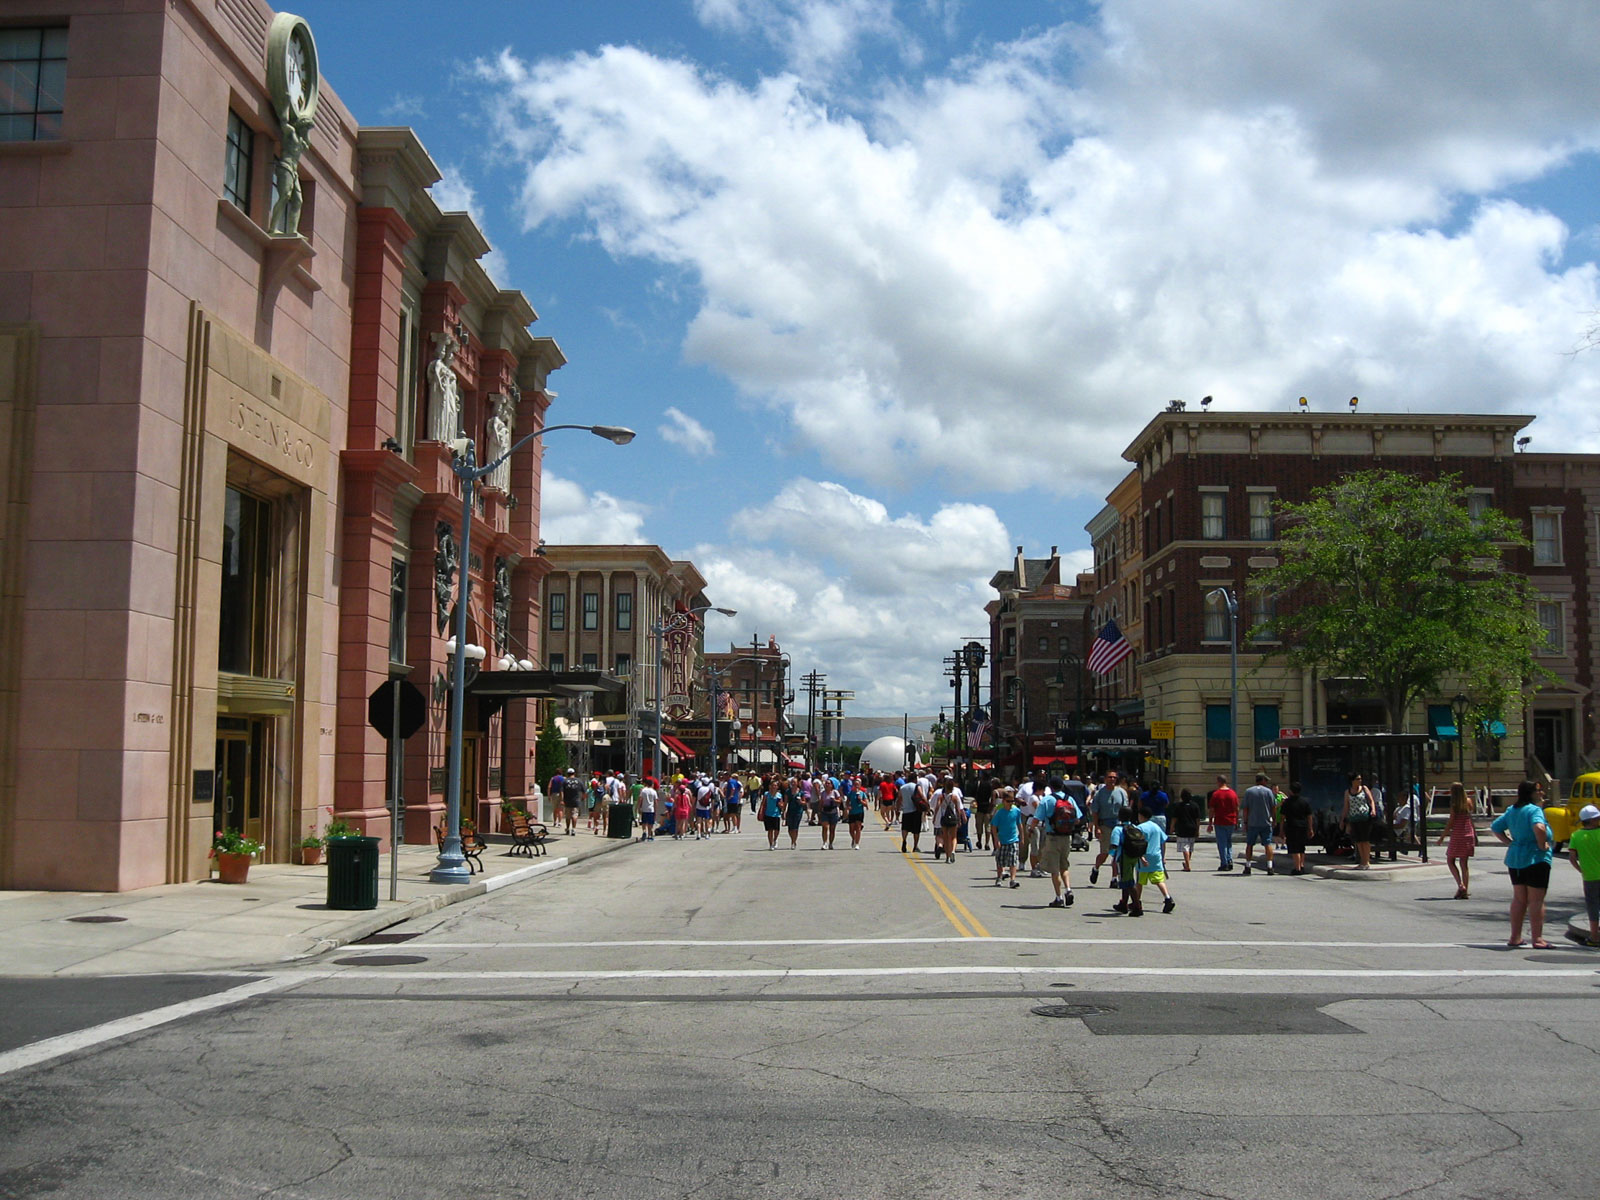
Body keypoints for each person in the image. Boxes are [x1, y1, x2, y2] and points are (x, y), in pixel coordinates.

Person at [1492, 780, 1554, 948]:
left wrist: (1510, 842)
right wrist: (1542, 844)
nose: (1541, 794)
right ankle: (1537, 939)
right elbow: (1539, 828)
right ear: (1530, 793)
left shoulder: (1512, 810)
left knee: (1519, 899)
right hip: (1536, 858)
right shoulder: (1534, 810)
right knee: (1536, 900)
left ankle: (1515, 937)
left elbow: (1496, 827)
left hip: (1516, 859)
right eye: (1538, 791)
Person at [1035, 781, 1079, 908]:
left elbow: (1037, 818)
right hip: (1067, 837)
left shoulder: (1047, 800)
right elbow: (1077, 819)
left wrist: (1030, 828)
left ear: (1051, 787)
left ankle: (1058, 897)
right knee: (1064, 866)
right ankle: (1068, 889)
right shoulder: (1069, 799)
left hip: (1053, 837)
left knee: (1054, 870)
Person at [1130, 804, 1174, 915]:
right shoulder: (1156, 827)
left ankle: (1137, 901)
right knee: (1159, 879)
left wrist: (1139, 856)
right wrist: (1163, 857)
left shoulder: (1140, 828)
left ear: (1141, 816)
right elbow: (1163, 842)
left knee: (1140, 881)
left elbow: (1137, 844)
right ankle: (1167, 898)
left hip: (1144, 856)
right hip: (1156, 856)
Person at [1566, 804, 1600, 947]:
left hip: (1589, 876)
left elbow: (1572, 858)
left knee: (1592, 906)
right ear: (1592, 820)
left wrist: (1581, 869)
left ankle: (1594, 937)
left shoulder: (1576, 835)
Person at [1437, 781, 1477, 899]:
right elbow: (1471, 816)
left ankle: (1460, 885)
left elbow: (1451, 823)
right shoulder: (1469, 802)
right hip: (1468, 833)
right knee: (1464, 863)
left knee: (1450, 860)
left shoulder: (1454, 805)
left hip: (1458, 834)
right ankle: (1465, 889)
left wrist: (1442, 837)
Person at [1088, 771, 1129, 885]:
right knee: (1105, 852)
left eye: (1114, 778)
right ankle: (1096, 868)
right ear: (1105, 779)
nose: (1112, 779)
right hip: (1105, 824)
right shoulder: (1100, 794)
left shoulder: (1121, 792)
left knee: (1117, 853)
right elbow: (1095, 812)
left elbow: (1125, 809)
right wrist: (1097, 828)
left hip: (1119, 825)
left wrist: (1126, 825)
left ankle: (1114, 878)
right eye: (1110, 777)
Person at [1240, 772, 1277, 877]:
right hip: (1266, 822)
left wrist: (1245, 822)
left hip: (1252, 823)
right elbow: (1273, 807)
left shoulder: (1249, 791)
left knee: (1250, 844)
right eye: (1266, 780)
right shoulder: (1269, 792)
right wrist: (1274, 819)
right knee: (1267, 844)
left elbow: (1246, 808)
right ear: (1263, 780)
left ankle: (1248, 866)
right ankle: (1270, 866)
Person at [1339, 772, 1378, 870]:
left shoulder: (1364, 788)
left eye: (1360, 779)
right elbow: (1346, 807)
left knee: (1365, 840)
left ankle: (1366, 861)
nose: (1360, 781)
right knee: (1358, 841)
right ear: (1352, 781)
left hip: (1365, 817)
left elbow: (1371, 800)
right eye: (1357, 779)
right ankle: (1362, 861)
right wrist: (1342, 820)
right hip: (1354, 818)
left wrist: (1373, 810)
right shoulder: (1347, 792)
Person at [1278, 781, 1313, 875]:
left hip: (1291, 827)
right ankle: (1301, 865)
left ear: (1290, 791)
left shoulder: (1287, 803)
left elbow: (1282, 817)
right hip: (1303, 826)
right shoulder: (1305, 802)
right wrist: (1310, 828)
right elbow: (1309, 816)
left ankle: (1297, 868)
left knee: (1294, 848)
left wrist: (1281, 830)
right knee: (1301, 847)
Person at [990, 788, 1022, 888]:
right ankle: (999, 877)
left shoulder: (1016, 811)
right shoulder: (1000, 812)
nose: (1010, 803)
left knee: (1013, 861)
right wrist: (996, 840)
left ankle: (1012, 880)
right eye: (1008, 801)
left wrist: (1022, 836)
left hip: (1013, 839)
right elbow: (994, 827)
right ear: (1003, 801)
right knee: (1000, 861)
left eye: (1012, 801)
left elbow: (1019, 824)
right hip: (1002, 840)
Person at [1208, 774, 1239, 871]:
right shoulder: (1233, 794)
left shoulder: (1216, 794)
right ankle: (1229, 860)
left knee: (1222, 843)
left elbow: (1212, 809)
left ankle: (1224, 863)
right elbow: (1236, 808)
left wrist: (1210, 823)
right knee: (1229, 842)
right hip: (1231, 820)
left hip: (1220, 820)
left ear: (1219, 782)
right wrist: (1237, 820)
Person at [932, 778, 965, 864]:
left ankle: (947, 857)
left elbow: (937, 807)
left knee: (946, 838)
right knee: (953, 837)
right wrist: (959, 820)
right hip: (953, 818)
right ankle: (953, 851)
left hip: (944, 819)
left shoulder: (941, 796)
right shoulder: (954, 797)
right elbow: (958, 809)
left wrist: (935, 817)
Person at [1169, 788, 1201, 871]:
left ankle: (1187, 864)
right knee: (1189, 846)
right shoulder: (1195, 806)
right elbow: (1198, 819)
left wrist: (1172, 827)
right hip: (1192, 827)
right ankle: (1187, 862)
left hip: (1182, 828)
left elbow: (1174, 818)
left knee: (1185, 847)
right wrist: (1198, 830)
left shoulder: (1178, 806)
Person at [898, 772, 926, 854]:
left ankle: (904, 840)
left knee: (905, 828)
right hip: (916, 810)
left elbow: (899, 798)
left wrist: (897, 808)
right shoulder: (917, 786)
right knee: (916, 829)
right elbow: (922, 796)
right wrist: (926, 805)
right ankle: (915, 846)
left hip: (906, 810)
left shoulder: (902, 787)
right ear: (915, 779)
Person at [818, 777, 843, 849]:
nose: (827, 785)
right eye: (826, 783)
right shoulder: (823, 793)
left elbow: (839, 801)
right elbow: (821, 802)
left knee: (832, 829)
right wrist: (819, 811)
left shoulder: (835, 792)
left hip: (833, 812)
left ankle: (831, 843)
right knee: (825, 827)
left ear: (832, 785)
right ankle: (825, 842)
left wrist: (834, 800)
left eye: (828, 783)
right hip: (825, 812)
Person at [845, 776, 867, 849]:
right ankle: (854, 838)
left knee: (858, 827)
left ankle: (857, 843)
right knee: (851, 829)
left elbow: (866, 804)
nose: (856, 786)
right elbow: (847, 802)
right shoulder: (851, 793)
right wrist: (848, 806)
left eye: (858, 784)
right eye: (855, 784)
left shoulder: (862, 793)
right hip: (852, 812)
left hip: (859, 812)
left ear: (860, 785)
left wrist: (861, 800)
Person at [761, 784, 784, 849]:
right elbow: (763, 803)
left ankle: (775, 840)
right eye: (772, 785)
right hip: (768, 813)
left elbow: (782, 804)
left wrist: (781, 806)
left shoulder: (779, 795)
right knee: (770, 830)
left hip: (776, 814)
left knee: (777, 830)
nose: (773, 787)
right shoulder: (766, 794)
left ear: (777, 787)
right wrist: (761, 811)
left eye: (775, 785)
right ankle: (771, 844)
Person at [784, 782, 807, 849]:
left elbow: (804, 802)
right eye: (792, 782)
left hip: (798, 811)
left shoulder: (801, 792)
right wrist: (783, 811)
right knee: (790, 828)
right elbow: (785, 802)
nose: (793, 783)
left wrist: (800, 802)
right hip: (790, 811)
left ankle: (793, 842)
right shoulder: (788, 791)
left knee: (795, 827)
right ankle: (792, 839)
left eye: (794, 782)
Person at [637, 777, 658, 841]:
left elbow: (640, 799)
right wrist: (656, 810)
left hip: (644, 808)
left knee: (644, 822)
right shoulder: (654, 791)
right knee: (650, 823)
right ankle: (649, 835)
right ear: (652, 784)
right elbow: (656, 801)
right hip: (651, 809)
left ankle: (644, 832)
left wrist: (638, 807)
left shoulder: (643, 791)